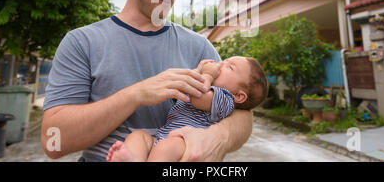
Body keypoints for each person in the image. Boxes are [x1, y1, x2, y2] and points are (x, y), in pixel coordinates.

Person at [41, 0, 254, 162]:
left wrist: (219, 137)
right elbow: (53, 142)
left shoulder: (199, 46)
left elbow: (242, 112)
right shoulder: (81, 43)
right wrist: (136, 95)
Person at [106, 57, 268, 162]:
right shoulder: (210, 86)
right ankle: (133, 159)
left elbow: (197, 95)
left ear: (239, 96)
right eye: (225, 60)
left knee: (166, 147)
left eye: (230, 67)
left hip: (182, 144)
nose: (220, 64)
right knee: (139, 136)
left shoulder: (225, 99)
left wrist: (207, 75)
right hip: (163, 136)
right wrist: (199, 73)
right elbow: (189, 87)